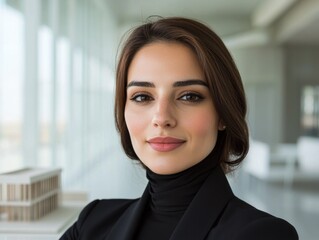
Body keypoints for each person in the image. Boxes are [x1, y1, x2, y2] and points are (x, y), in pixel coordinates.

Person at [60, 17, 298, 240]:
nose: (162, 118)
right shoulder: (92, 223)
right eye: (142, 97)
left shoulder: (264, 234)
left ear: (223, 113)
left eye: (189, 96)